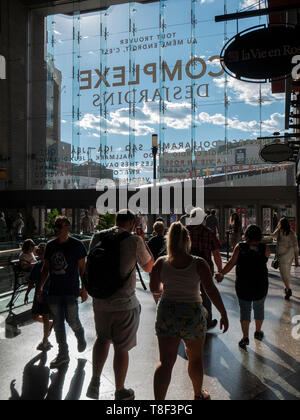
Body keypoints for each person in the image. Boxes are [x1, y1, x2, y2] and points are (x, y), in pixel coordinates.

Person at [150, 222, 229, 400]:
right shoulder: (198, 263)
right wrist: (223, 313)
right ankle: (198, 394)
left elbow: (154, 287)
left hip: (167, 312)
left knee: (165, 362)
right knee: (194, 359)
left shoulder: (161, 263)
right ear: (187, 240)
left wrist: (165, 288)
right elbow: (211, 290)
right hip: (192, 313)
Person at [86, 209, 154, 401]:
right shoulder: (134, 241)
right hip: (124, 303)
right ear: (131, 223)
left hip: (99, 301)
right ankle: (120, 390)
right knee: (121, 348)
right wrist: (143, 240)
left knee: (102, 338)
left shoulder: (97, 237)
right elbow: (150, 267)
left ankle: (95, 380)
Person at [37, 216, 88, 369]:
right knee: (58, 324)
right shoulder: (50, 246)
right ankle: (63, 354)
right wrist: (39, 288)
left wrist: (84, 288)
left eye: (60, 225)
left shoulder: (77, 245)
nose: (57, 228)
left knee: (72, 320)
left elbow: (82, 269)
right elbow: (45, 268)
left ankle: (80, 335)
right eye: (55, 226)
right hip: (54, 291)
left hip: (71, 291)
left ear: (67, 227)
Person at [216, 225, 270, 350]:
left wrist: (221, 274)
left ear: (246, 235)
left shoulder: (239, 247)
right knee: (259, 307)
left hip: (243, 284)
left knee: (245, 310)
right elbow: (264, 260)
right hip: (260, 284)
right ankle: (258, 331)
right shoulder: (265, 248)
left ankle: (245, 337)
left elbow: (231, 263)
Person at [186, 208, 223, 330]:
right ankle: (207, 322)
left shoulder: (184, 232)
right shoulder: (208, 233)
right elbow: (216, 254)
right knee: (207, 294)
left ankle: (187, 320)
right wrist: (220, 271)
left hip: (186, 269)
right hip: (205, 269)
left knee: (188, 294)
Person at [24, 243, 53, 352]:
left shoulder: (51, 266)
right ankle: (49, 325)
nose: (40, 257)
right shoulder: (37, 265)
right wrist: (27, 293)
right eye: (39, 254)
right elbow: (31, 281)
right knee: (34, 316)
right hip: (38, 294)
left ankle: (45, 340)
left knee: (45, 316)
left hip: (47, 295)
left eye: (42, 254)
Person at [273, 217, 299, 300]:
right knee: (287, 271)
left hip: (281, 256)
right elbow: (296, 247)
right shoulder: (292, 233)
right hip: (290, 255)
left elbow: (273, 236)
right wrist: (296, 259)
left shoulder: (279, 231)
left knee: (283, 273)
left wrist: (277, 227)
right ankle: (287, 288)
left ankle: (288, 289)